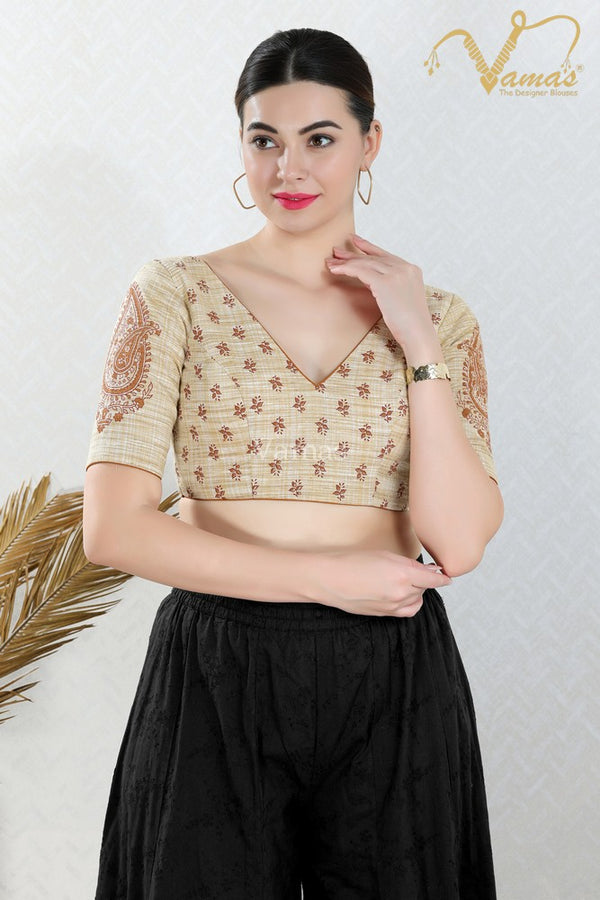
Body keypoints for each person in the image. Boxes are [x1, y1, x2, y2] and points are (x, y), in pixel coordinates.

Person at [83, 26, 503, 900]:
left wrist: (419, 343)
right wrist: (324, 579)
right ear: (241, 145)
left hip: (393, 673)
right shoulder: (174, 294)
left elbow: (459, 542)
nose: (289, 170)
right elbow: (113, 531)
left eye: (320, 139)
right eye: (265, 140)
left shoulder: (444, 320)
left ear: (369, 143)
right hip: (214, 669)